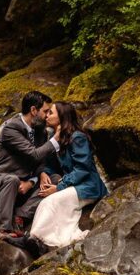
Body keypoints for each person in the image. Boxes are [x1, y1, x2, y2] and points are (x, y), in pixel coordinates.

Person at [6, 102, 108, 257]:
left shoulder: (77, 137)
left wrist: (60, 187)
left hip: (88, 187)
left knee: (51, 201)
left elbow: (83, 169)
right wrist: (44, 173)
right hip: (73, 185)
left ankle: (35, 240)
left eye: (50, 113)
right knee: (46, 198)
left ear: (62, 117)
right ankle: (34, 238)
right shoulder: (57, 139)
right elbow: (52, 166)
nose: (46, 116)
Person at [0, 90, 59, 238]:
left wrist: (35, 178)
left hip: (25, 188)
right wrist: (56, 138)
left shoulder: (41, 131)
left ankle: (20, 216)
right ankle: (2, 231)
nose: (47, 116)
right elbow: (33, 154)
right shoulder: (10, 129)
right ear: (33, 110)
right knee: (12, 180)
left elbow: (39, 160)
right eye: (45, 111)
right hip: (1, 184)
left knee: (55, 179)